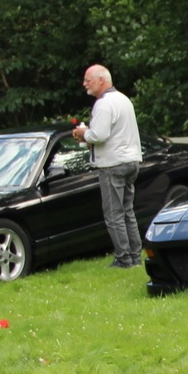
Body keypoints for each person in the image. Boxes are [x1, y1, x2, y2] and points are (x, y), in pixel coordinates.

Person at [73, 65, 144, 268]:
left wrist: (83, 133)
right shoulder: (124, 99)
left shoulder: (103, 103)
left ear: (101, 80)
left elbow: (99, 135)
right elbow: (113, 134)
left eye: (88, 80)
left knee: (114, 214)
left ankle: (123, 259)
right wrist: (90, 136)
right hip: (131, 160)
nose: (84, 84)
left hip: (113, 164)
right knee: (127, 211)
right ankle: (135, 256)